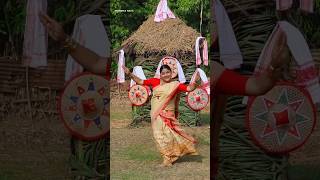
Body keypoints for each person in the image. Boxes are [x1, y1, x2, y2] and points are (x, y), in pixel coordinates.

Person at [39, 13, 289, 168]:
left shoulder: (209, 72)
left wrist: (275, 69)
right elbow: (95, 63)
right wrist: (64, 40)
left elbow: (257, 86)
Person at [124, 64, 202, 166]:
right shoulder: (154, 81)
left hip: (168, 114)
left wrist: (195, 81)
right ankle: (166, 158)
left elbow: (189, 88)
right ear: (160, 74)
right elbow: (140, 81)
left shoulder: (176, 84)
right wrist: (130, 74)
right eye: (163, 73)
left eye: (168, 72)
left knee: (169, 136)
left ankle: (172, 155)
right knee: (159, 136)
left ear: (171, 73)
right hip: (156, 115)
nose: (166, 75)